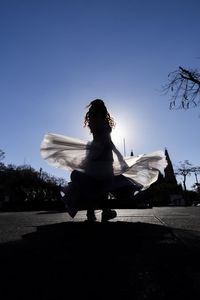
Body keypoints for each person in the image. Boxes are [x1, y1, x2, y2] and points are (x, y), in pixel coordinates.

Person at [40, 99, 167, 221]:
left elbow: (105, 141)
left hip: (96, 154)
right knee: (104, 185)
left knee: (94, 184)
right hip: (104, 155)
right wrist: (118, 156)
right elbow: (108, 142)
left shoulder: (93, 121)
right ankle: (105, 212)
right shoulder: (103, 122)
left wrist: (115, 155)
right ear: (103, 109)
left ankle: (92, 214)